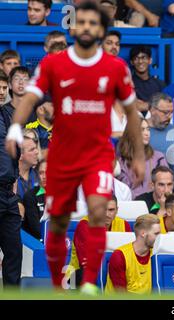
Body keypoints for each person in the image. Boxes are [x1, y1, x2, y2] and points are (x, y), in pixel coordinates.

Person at [5, 1, 145, 295]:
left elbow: (132, 112)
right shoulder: (54, 64)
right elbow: (29, 99)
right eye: (81, 22)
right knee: (57, 222)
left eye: (93, 23)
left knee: (96, 213)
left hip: (98, 155)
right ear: (73, 26)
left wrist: (139, 155)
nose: (86, 27)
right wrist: (16, 128)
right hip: (63, 155)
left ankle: (90, 281)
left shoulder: (115, 67)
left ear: (101, 29)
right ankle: (58, 283)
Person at [69, 195, 132, 283]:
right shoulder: (84, 226)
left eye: (111, 210)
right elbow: (86, 263)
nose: (107, 214)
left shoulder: (124, 225)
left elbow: (129, 257)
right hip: (78, 277)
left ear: (117, 210)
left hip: (116, 271)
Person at [0, 81, 22, 287]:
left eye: (4, 88)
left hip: (8, 193)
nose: (1, 92)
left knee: (15, 251)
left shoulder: (7, 114)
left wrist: (15, 175)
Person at [106, 214, 161, 294]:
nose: (160, 237)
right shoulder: (120, 256)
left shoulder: (155, 255)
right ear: (143, 233)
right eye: (156, 234)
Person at [117, 117, 168, 199]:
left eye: (148, 129)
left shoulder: (159, 157)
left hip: (156, 202)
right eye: (142, 130)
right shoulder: (122, 162)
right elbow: (124, 191)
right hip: (134, 204)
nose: (146, 133)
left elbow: (166, 183)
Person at [22, 158, 46, 240]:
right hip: (36, 243)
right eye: (41, 173)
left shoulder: (61, 195)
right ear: (37, 175)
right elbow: (35, 228)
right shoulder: (30, 196)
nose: (45, 176)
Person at [17, 135, 39, 199]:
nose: (37, 152)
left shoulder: (39, 175)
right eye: (32, 150)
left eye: (36, 148)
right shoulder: (8, 179)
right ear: (20, 155)